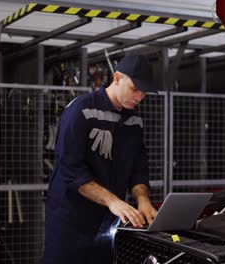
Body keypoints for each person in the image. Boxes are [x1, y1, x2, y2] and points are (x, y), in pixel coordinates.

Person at [43, 54, 158, 264]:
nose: (139, 97)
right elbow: (71, 169)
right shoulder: (80, 110)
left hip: (106, 224)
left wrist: (143, 199)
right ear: (116, 78)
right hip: (70, 222)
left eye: (144, 93)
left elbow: (138, 165)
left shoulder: (133, 121)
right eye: (135, 89)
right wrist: (113, 201)